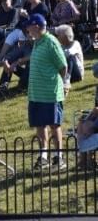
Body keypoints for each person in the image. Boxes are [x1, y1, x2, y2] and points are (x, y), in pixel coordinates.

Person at [26, 14, 68, 171]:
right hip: (35, 94)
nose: (27, 29)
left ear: (36, 26)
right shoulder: (37, 42)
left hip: (50, 93)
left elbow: (63, 66)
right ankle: (43, 156)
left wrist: (63, 84)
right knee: (39, 125)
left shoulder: (51, 42)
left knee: (54, 125)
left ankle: (59, 157)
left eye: (29, 26)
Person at [55, 24, 84, 90]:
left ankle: (66, 80)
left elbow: (68, 53)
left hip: (76, 74)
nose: (57, 37)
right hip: (63, 72)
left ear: (64, 36)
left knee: (70, 57)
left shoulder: (75, 43)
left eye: (58, 35)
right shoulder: (60, 45)